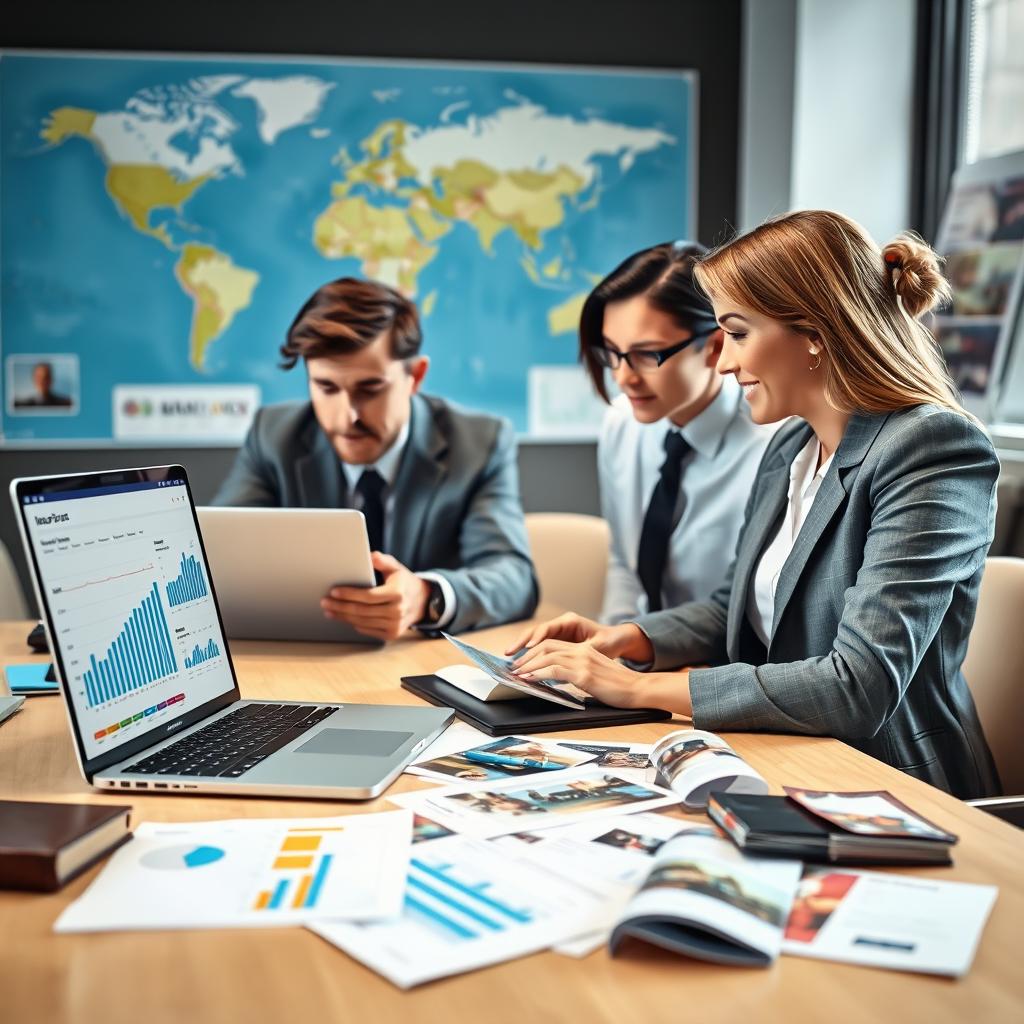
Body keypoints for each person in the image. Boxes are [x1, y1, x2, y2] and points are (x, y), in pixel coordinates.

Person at [508, 210, 1000, 800]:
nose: (723, 361)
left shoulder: (932, 447)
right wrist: (629, 638)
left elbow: (858, 685)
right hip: (782, 753)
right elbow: (735, 609)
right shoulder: (793, 443)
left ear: (815, 332)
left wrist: (637, 688)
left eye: (737, 334)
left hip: (889, 784)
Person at [214, 276, 538, 640]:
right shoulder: (273, 436)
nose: (348, 414)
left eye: (370, 389)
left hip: (419, 667)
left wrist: (426, 597)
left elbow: (514, 577)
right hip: (305, 662)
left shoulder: (479, 443)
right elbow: (217, 561)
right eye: (327, 387)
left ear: (415, 376)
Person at [580, 241, 776, 622]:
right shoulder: (621, 423)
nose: (623, 378)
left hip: (722, 668)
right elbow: (626, 566)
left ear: (715, 345)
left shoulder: (772, 445)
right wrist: (608, 652)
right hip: (644, 657)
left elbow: (754, 610)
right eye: (611, 353)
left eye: (647, 355)